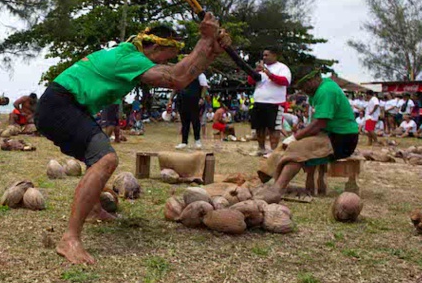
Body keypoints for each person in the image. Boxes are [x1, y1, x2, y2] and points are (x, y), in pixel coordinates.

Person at [35, 15, 230, 264]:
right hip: (59, 106)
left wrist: (211, 51)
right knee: (106, 159)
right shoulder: (130, 58)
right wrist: (204, 39)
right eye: (166, 56)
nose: (167, 62)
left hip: (66, 105)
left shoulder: (129, 54)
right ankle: (69, 238)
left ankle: (94, 209)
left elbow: (182, 76)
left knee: (96, 157)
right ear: (156, 47)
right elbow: (177, 78)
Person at [259, 67, 358, 195]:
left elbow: (320, 123)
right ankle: (266, 176)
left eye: (303, 85)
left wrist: (296, 137)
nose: (302, 90)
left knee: (297, 148)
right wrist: (299, 132)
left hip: (343, 139)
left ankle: (278, 188)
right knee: (286, 146)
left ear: (313, 79)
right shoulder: (315, 92)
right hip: (329, 134)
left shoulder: (326, 91)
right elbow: (314, 121)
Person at [248, 49, 292, 156]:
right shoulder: (260, 69)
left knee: (274, 128)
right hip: (259, 102)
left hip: (275, 103)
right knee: (259, 127)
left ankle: (273, 151)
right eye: (263, 55)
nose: (264, 57)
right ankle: (261, 148)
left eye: (267, 55)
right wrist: (256, 71)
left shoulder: (282, 68)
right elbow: (250, 81)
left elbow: (285, 81)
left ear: (274, 55)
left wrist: (269, 74)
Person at [174, 72, 208, 149]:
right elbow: (176, 87)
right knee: (184, 122)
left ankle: (197, 141)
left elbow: (204, 87)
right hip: (182, 102)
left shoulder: (199, 75)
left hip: (194, 102)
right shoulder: (181, 74)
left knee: (195, 121)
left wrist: (202, 98)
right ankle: (184, 142)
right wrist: (170, 98)